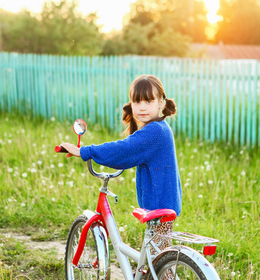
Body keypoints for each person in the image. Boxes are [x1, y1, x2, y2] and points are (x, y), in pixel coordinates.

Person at [61, 74, 182, 253]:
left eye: (148, 101)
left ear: (160, 103)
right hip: (162, 205)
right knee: (155, 259)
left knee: (160, 265)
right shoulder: (159, 128)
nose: (142, 107)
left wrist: (85, 151)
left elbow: (124, 149)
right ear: (131, 104)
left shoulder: (155, 131)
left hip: (160, 208)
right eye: (137, 102)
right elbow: (130, 151)